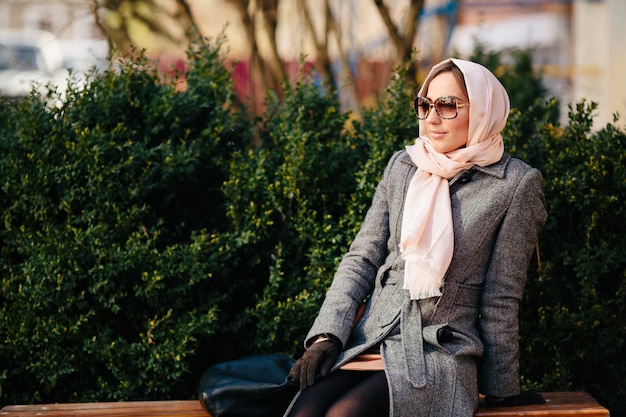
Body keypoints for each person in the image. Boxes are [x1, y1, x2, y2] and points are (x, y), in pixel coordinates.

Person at [284, 58, 548, 417]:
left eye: (448, 106)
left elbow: (501, 295)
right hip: (369, 342)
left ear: (484, 111)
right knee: (303, 413)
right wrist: (327, 336)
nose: (432, 117)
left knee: (344, 415)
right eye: (425, 105)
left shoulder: (515, 184)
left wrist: (501, 388)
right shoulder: (403, 166)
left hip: (439, 354)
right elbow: (360, 259)